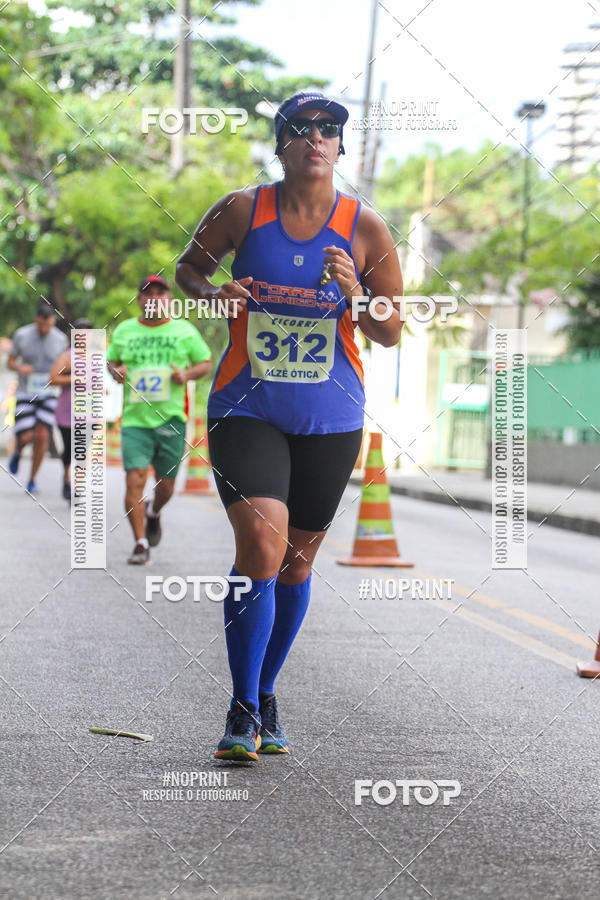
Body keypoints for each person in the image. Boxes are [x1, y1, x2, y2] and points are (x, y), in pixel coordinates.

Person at [176, 90, 404, 761]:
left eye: (329, 129)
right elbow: (189, 269)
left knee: (298, 565)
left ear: (340, 145)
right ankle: (242, 708)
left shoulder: (366, 229)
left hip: (330, 417)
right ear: (281, 143)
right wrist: (212, 292)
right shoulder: (243, 210)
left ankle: (267, 690)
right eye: (301, 128)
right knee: (262, 542)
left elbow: (391, 333)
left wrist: (358, 297)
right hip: (246, 407)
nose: (315, 138)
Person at [106, 275, 212, 564]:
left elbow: (205, 362)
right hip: (134, 420)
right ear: (139, 300)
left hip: (171, 419)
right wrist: (117, 372)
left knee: (166, 485)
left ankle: (154, 512)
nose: (153, 298)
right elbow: (111, 361)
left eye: (159, 293)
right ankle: (140, 543)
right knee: (134, 480)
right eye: (147, 293)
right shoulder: (125, 330)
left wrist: (186, 375)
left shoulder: (184, 331)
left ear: (169, 301)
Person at [7, 305, 68, 493]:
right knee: (26, 435)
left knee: (42, 435)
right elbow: (10, 362)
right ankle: (18, 450)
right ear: (36, 320)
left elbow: (66, 365)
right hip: (26, 392)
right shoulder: (22, 335)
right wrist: (20, 368)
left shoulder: (61, 339)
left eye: (48, 326)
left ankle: (32, 479)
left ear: (53, 322)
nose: (44, 330)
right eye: (41, 325)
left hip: (49, 393)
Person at [50, 317, 94, 501]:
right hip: (67, 412)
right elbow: (53, 379)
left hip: (90, 412)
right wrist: (74, 378)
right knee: (70, 449)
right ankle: (67, 478)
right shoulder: (67, 356)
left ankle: (78, 487)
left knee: (83, 450)